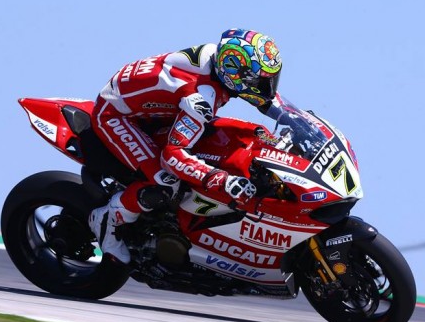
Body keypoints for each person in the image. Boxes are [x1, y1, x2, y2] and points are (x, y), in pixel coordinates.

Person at [88, 29, 283, 265]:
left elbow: (267, 101)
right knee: (164, 181)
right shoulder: (200, 97)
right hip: (116, 116)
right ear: (236, 76)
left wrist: (292, 120)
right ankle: (108, 219)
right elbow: (173, 155)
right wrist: (222, 180)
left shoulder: (218, 59)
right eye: (262, 81)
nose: (268, 87)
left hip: (156, 111)